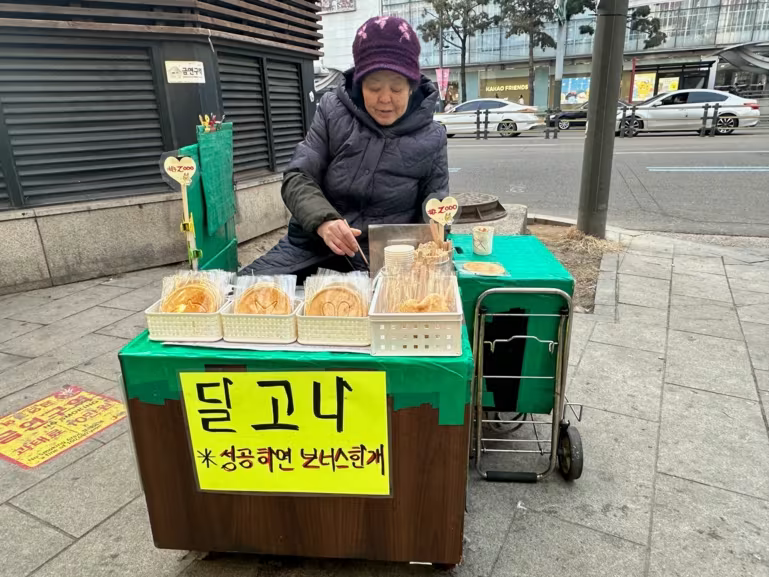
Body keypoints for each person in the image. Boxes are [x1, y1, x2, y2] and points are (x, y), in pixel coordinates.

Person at [241, 16, 448, 279]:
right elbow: (297, 176)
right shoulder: (332, 110)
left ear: (411, 87)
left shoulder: (433, 137)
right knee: (242, 290)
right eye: (374, 87)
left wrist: (432, 244)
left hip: (384, 260)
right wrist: (324, 221)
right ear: (360, 85)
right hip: (310, 247)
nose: (385, 99)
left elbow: (436, 208)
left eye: (397, 88)